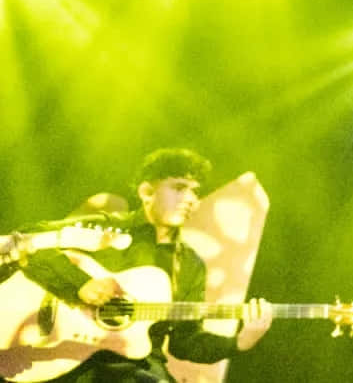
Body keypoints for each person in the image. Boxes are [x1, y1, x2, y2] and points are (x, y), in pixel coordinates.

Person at [8, 148, 273, 382]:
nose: (191, 199)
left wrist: (239, 342)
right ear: (147, 192)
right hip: (64, 356)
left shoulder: (190, 265)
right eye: (179, 188)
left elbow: (184, 342)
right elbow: (29, 238)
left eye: (196, 192)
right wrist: (79, 284)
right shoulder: (108, 228)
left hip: (136, 368)